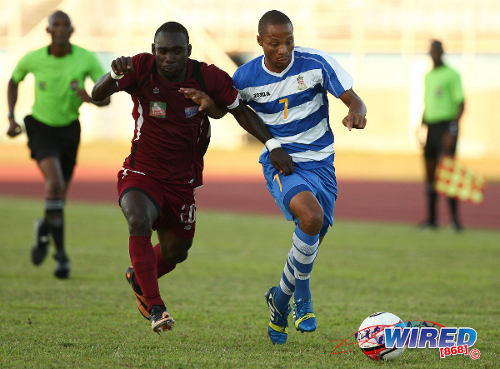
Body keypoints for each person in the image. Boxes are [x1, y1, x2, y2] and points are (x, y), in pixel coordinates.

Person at [91, 21, 292, 334]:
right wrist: (113, 74)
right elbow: (97, 93)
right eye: (163, 51)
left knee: (176, 251)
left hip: (182, 180)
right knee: (137, 219)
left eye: (176, 51)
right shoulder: (141, 67)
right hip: (141, 171)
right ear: (153, 50)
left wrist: (273, 144)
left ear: (188, 52)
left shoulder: (207, 76)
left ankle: (138, 276)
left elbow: (236, 110)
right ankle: (156, 307)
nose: (169, 57)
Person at [232, 10, 367, 344]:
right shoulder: (245, 78)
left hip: (322, 164)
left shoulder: (316, 63)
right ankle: (303, 299)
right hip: (283, 164)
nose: (283, 49)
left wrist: (356, 113)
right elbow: (232, 109)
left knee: (310, 240)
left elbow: (354, 100)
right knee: (310, 217)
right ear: (260, 41)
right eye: (274, 43)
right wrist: (270, 143)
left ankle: (279, 300)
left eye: (288, 41)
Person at [6, 10, 110, 279]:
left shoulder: (85, 58)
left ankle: (43, 230)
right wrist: (11, 117)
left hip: (69, 131)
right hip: (40, 127)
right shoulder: (34, 58)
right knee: (54, 185)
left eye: (66, 25)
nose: (61, 29)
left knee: (59, 195)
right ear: (49, 30)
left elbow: (105, 96)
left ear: (72, 31)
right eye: (56, 25)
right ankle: (61, 256)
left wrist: (91, 98)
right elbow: (13, 80)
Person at [419, 40, 465, 231]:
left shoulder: (452, 75)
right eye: (431, 52)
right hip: (431, 127)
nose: (434, 55)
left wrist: (452, 130)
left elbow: (461, 103)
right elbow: (428, 103)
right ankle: (432, 219)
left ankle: (455, 220)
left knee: (449, 173)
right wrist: (422, 125)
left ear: (442, 52)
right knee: (430, 174)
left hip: (447, 127)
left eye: (436, 51)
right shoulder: (428, 76)